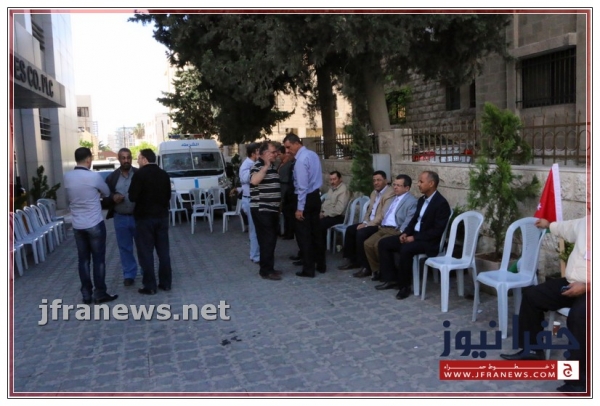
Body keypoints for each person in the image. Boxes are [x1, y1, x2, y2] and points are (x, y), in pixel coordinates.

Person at [500, 215, 589, 393]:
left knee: (579, 316)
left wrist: (587, 286)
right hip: (573, 283)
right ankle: (532, 350)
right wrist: (548, 224)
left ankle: (580, 380)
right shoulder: (587, 222)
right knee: (533, 295)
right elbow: (566, 228)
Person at [376, 170, 451, 300]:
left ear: (431, 183)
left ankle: (404, 287)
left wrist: (414, 238)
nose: (418, 184)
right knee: (384, 243)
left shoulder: (441, 203)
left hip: (429, 241)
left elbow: (437, 231)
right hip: (415, 235)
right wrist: (405, 233)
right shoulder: (422, 200)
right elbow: (413, 221)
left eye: (421, 182)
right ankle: (391, 279)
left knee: (406, 249)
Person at [63, 147, 117, 304]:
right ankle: (100, 293)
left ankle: (86, 294)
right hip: (94, 223)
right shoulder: (94, 176)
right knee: (98, 260)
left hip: (77, 225)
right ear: (88, 159)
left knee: (83, 260)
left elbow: (68, 197)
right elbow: (107, 192)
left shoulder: (67, 177)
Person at [128, 149, 173, 295]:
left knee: (146, 253)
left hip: (144, 218)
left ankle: (150, 285)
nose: (137, 161)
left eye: (139, 158)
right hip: (162, 217)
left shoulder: (139, 175)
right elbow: (168, 196)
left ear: (144, 159)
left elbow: (132, 196)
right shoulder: (164, 174)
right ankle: (166, 283)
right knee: (163, 252)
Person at [337, 171, 394, 275]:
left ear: (385, 181)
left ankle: (366, 266)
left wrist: (367, 225)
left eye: (379, 180)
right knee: (350, 230)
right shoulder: (374, 193)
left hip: (379, 225)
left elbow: (382, 215)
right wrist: (364, 221)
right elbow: (369, 211)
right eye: (374, 180)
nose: (376, 183)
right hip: (369, 222)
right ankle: (352, 260)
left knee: (361, 233)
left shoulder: (389, 194)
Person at [282, 133, 323, 278]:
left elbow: (302, 187)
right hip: (315, 197)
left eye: (288, 147)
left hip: (306, 199)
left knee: (304, 235)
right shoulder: (313, 155)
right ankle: (321, 264)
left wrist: (300, 208)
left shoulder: (301, 160)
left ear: (296, 143)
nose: (287, 151)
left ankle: (308, 268)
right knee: (316, 232)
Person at [362, 175, 418, 281]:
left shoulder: (411, 201)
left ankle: (388, 274)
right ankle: (377, 270)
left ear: (407, 188)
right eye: (394, 185)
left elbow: (409, 219)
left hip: (395, 229)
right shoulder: (393, 198)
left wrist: (402, 231)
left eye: (398, 185)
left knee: (378, 244)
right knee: (368, 243)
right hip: (383, 227)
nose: (395, 187)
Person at [103, 148, 139, 287]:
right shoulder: (112, 178)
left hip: (138, 217)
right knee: (125, 248)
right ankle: (129, 274)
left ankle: (146, 272)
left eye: (128, 157)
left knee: (143, 246)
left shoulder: (138, 174)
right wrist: (113, 198)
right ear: (119, 159)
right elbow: (104, 197)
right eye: (123, 158)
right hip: (120, 217)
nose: (126, 160)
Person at [250, 141, 282, 280]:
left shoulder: (273, 166)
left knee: (270, 240)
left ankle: (269, 268)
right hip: (262, 209)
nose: (276, 154)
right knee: (267, 240)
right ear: (264, 153)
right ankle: (266, 271)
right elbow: (254, 181)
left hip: (272, 209)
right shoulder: (258, 166)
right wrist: (266, 166)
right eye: (273, 152)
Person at [239, 143, 261, 263]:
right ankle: (255, 255)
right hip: (250, 199)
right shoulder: (247, 165)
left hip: (255, 199)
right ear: (253, 153)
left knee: (258, 229)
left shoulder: (253, 164)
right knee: (254, 229)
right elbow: (247, 179)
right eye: (258, 151)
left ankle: (258, 253)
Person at [319, 171, 351, 252]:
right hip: (328, 214)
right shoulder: (331, 189)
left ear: (340, 179)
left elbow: (339, 210)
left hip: (338, 216)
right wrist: (321, 212)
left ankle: (320, 247)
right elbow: (326, 203)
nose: (332, 182)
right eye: (331, 179)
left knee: (320, 224)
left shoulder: (343, 190)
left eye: (334, 179)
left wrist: (324, 214)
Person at [278, 146, 296, 240]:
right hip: (281, 188)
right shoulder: (281, 163)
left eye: (280, 154)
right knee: (284, 211)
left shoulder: (290, 164)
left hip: (287, 189)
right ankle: (285, 231)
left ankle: (289, 232)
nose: (278, 156)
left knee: (288, 211)